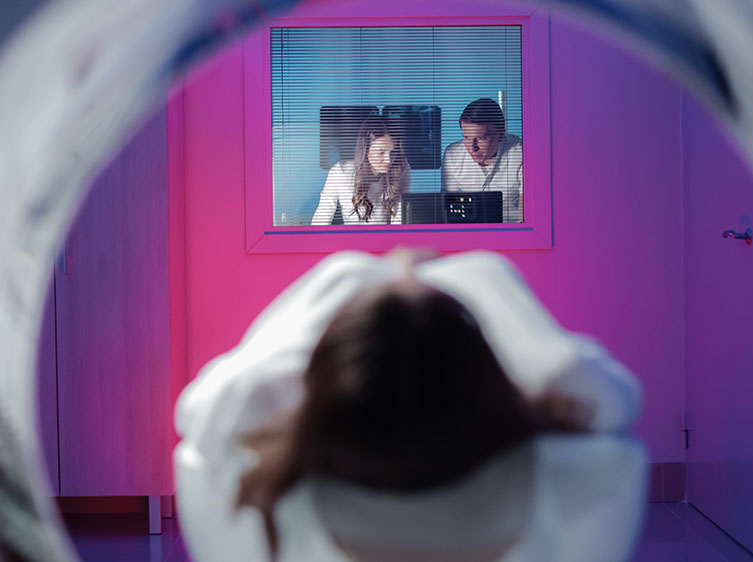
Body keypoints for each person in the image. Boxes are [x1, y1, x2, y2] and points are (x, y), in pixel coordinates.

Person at [174, 250, 645, 562]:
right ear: (484, 377)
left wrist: (348, 274)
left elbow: (207, 408)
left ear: (326, 380)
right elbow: (603, 394)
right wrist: (483, 274)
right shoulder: (577, 482)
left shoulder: (268, 497)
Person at [311, 117, 409, 225]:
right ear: (365, 150)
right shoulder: (341, 172)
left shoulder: (400, 169)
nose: (388, 160)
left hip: (384, 237)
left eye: (393, 152)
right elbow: (323, 216)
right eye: (381, 152)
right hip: (351, 238)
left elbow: (400, 218)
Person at [441, 98, 524, 223]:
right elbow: (448, 205)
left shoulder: (520, 153)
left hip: (511, 230)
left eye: (480, 138)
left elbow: (528, 206)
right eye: (466, 137)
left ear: (500, 135)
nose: (472, 147)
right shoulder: (453, 154)